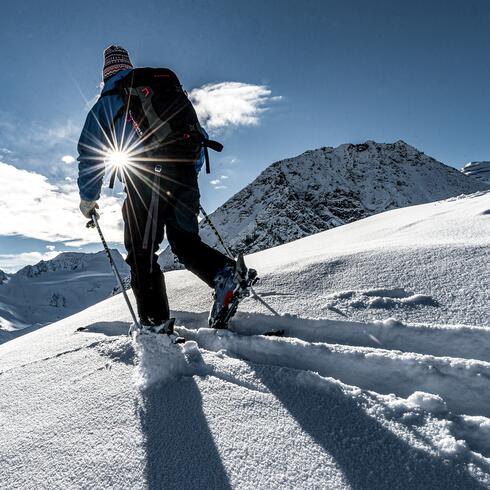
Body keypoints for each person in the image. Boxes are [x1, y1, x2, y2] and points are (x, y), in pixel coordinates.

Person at [77, 45, 247, 334]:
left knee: (142, 253)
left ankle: (155, 327)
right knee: (184, 243)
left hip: (145, 177)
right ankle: (225, 274)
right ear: (129, 66)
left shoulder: (109, 99)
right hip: (183, 172)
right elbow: (198, 135)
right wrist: (186, 175)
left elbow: (91, 152)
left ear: (106, 74)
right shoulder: (163, 86)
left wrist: (89, 199)